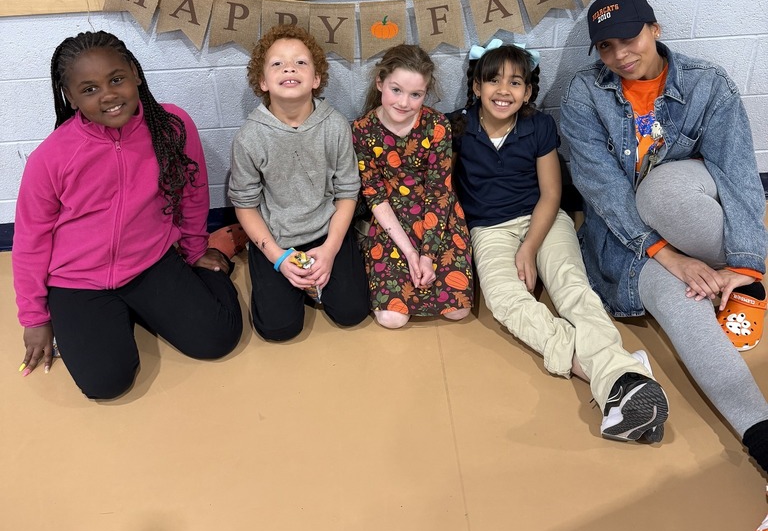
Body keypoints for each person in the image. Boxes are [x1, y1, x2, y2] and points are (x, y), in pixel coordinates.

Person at [559, 0, 768, 531]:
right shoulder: (585, 94)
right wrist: (668, 258)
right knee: (684, 308)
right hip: (631, 243)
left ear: (654, 28)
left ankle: (736, 278)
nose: (621, 55)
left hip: (690, 207)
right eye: (606, 47)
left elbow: (740, 178)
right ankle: (762, 434)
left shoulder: (708, 83)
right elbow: (600, 188)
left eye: (629, 38)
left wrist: (747, 263)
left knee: (664, 188)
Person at [452, 40, 669, 442]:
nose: (504, 90)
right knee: (505, 300)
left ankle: (617, 378)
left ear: (528, 92)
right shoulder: (458, 128)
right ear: (476, 87)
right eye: (493, 81)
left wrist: (530, 247)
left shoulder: (538, 126)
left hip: (545, 220)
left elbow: (551, 194)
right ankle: (617, 373)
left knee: (573, 288)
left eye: (516, 82)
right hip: (490, 230)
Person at [12, 30, 244, 400]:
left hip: (151, 262)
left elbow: (194, 190)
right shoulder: (51, 157)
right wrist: (35, 318)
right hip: (78, 281)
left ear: (135, 73)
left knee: (218, 339)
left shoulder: (171, 126)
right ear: (69, 97)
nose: (108, 95)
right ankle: (119, 313)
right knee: (106, 384)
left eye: (116, 79)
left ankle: (220, 251)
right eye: (88, 89)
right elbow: (29, 241)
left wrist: (196, 249)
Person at [229, 25, 369, 341]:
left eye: (301, 63)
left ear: (316, 79)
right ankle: (286, 275)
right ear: (263, 81)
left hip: (328, 230)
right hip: (277, 238)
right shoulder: (249, 138)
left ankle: (318, 279)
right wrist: (278, 257)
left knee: (351, 313)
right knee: (278, 329)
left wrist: (331, 249)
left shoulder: (334, 126)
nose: (289, 68)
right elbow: (245, 205)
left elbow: (348, 191)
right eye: (277, 63)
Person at [352, 44, 474, 328]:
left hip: (438, 216)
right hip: (391, 216)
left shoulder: (436, 125)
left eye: (415, 94)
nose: (404, 103)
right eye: (396, 90)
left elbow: (439, 193)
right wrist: (410, 253)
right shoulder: (362, 130)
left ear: (425, 93)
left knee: (458, 310)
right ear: (380, 83)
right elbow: (374, 194)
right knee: (392, 318)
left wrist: (428, 257)